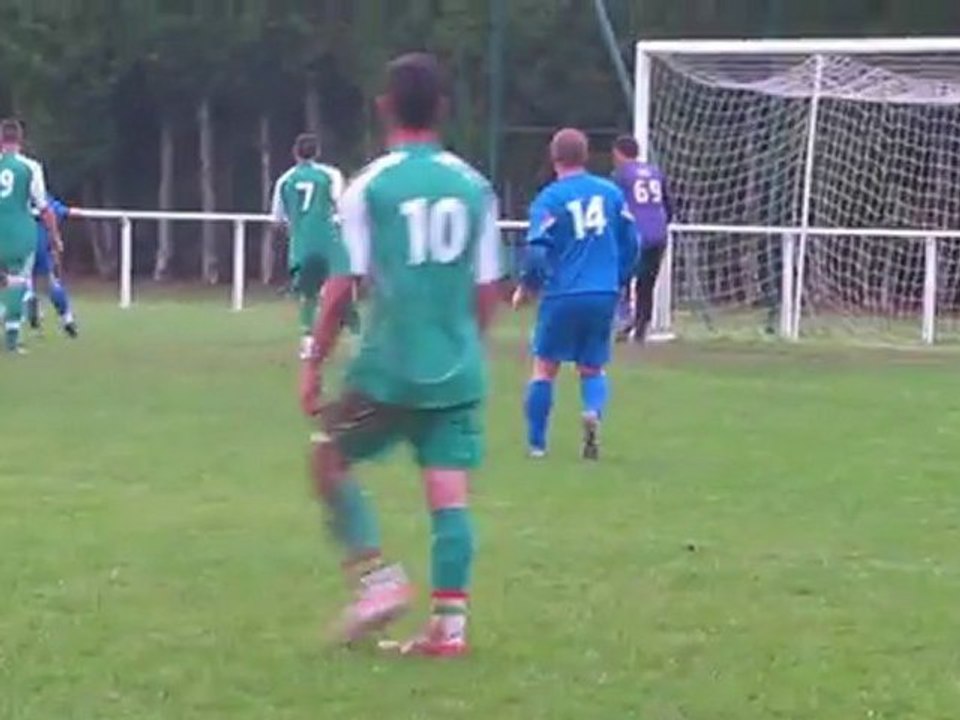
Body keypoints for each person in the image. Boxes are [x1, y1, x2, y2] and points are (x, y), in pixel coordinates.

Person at [298, 52, 501, 657]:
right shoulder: (475, 187)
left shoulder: (370, 186)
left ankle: (376, 580)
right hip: (456, 365)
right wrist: (467, 343)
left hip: (388, 367)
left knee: (329, 459)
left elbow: (341, 289)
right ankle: (449, 628)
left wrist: (313, 362)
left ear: (384, 107)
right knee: (448, 493)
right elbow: (487, 291)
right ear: (443, 109)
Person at [513, 128, 637, 460]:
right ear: (586, 156)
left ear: (554, 159)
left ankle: (538, 446)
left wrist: (529, 286)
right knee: (592, 368)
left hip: (563, 294)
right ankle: (592, 411)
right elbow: (633, 240)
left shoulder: (549, 199)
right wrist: (619, 277)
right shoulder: (611, 193)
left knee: (544, 368)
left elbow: (538, 251)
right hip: (603, 292)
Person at [271, 133, 358, 359]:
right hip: (329, 241)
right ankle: (359, 339)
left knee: (307, 294)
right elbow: (342, 204)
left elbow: (277, 220)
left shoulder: (284, 180)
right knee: (341, 290)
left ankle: (308, 342)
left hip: (301, 245)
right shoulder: (330, 175)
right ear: (318, 152)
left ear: (295, 153)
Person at [0, 119, 60, 354]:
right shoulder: (30, 167)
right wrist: (55, 236)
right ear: (20, 140)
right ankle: (12, 338)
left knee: (6, 281)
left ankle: (18, 307)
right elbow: (43, 207)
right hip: (19, 233)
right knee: (17, 281)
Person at [611, 135, 672, 343]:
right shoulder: (655, 172)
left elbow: (615, 206)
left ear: (619, 153)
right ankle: (641, 329)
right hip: (658, 236)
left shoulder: (620, 175)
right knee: (647, 284)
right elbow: (668, 204)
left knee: (620, 277)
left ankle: (624, 319)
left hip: (635, 235)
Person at [26, 194, 78, 338]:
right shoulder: (41, 196)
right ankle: (67, 319)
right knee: (50, 284)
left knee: (15, 282)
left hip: (19, 243)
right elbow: (58, 210)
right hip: (39, 244)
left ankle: (30, 300)